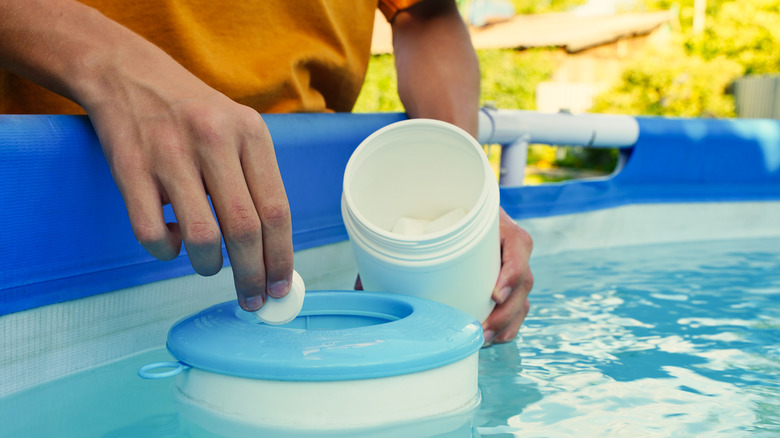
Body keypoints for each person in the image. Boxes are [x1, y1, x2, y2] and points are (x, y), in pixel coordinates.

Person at [0, 0, 532, 344]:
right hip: (45, 206)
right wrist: (107, 64)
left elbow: (426, 13)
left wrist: (465, 190)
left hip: (315, 216)